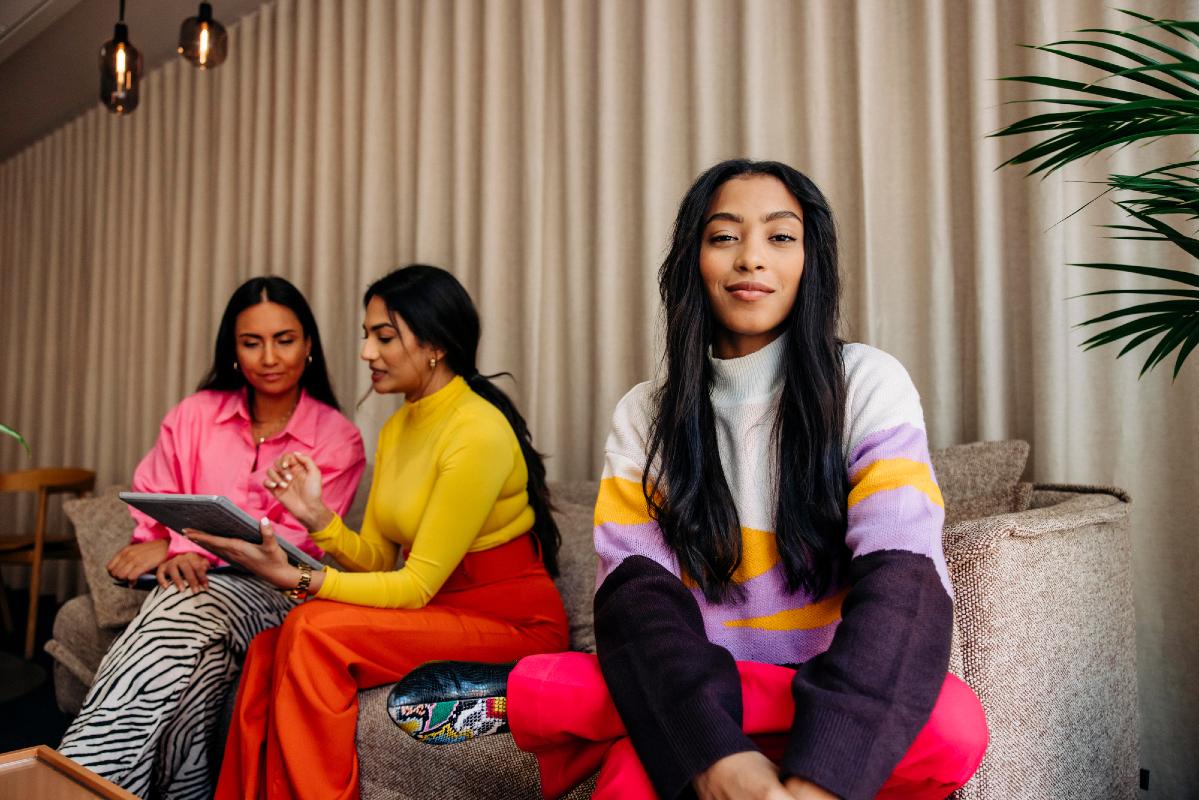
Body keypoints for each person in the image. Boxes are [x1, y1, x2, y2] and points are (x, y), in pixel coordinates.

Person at [504, 160, 989, 800]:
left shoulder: (867, 382)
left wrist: (819, 783)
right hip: (707, 690)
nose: (751, 259)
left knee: (951, 724)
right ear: (692, 262)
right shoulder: (644, 413)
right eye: (725, 236)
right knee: (600, 708)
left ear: (811, 261)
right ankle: (687, 731)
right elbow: (635, 599)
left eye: (780, 237)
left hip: (831, 687)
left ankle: (667, 730)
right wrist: (722, 760)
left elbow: (904, 577)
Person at [189, 264, 569, 800]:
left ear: (434, 343)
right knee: (269, 647)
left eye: (383, 336)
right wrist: (319, 518)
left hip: (511, 622)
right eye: (367, 336)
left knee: (312, 626)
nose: (366, 352)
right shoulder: (397, 426)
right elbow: (380, 561)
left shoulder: (476, 430)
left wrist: (300, 579)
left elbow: (413, 586)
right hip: (442, 608)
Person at [58, 276, 366, 800]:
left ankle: (73, 784)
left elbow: (291, 541)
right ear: (233, 349)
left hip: (275, 593)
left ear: (309, 345)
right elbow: (154, 495)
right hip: (188, 587)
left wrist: (182, 547)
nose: (269, 357)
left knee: (181, 607)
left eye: (285, 340)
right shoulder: (193, 415)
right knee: (196, 669)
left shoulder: (337, 437)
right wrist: (168, 550)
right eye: (252, 342)